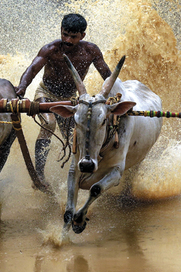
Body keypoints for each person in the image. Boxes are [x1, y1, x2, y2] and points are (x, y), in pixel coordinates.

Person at [15, 13, 113, 189]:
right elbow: (32, 69)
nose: (67, 40)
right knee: (49, 123)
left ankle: (80, 174)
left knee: (75, 136)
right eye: (64, 34)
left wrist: (118, 92)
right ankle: (39, 176)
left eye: (73, 37)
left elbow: (107, 75)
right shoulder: (51, 49)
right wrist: (21, 88)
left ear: (82, 36)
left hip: (71, 99)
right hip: (46, 93)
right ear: (61, 30)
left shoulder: (91, 51)